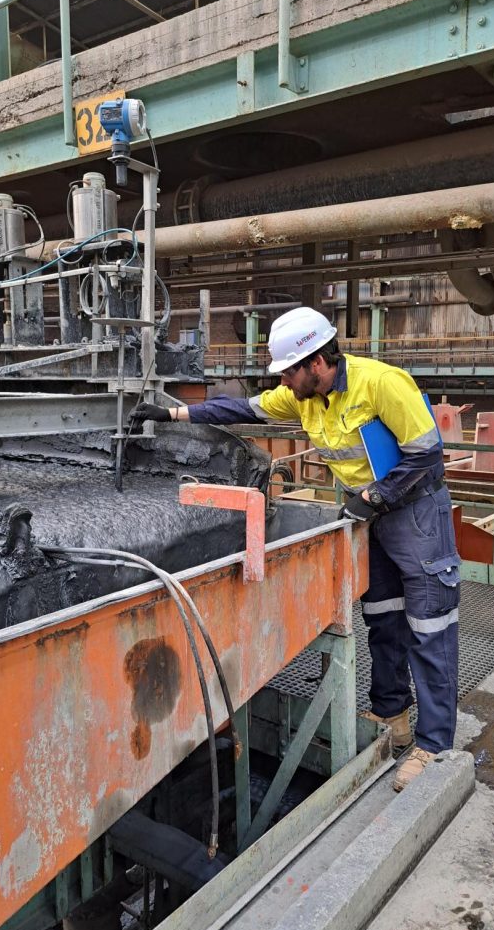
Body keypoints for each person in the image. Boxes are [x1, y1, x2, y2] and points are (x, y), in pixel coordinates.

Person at [130, 306, 460, 791]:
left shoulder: (382, 383)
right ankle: (393, 714)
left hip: (417, 513)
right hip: (376, 517)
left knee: (429, 626)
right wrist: (172, 412)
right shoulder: (304, 398)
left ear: (317, 362)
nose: (283, 380)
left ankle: (435, 745)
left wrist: (376, 496)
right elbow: (242, 410)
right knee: (384, 618)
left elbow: (426, 453)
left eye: (288, 370)